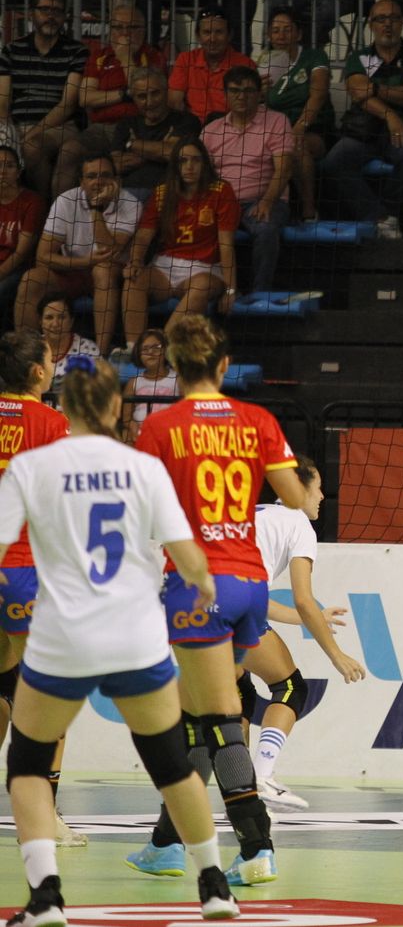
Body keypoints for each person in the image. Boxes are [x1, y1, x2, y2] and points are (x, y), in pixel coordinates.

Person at [0, 354, 240, 924]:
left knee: (27, 763)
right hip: (135, 638)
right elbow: (187, 558)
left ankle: (46, 897)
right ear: (116, 406)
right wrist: (205, 587)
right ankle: (213, 885)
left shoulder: (32, 468)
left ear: (62, 405)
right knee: (169, 761)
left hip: (64, 638)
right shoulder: (143, 469)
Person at [125, 314, 307, 888]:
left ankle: (255, 846)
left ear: (174, 369)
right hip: (250, 581)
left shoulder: (160, 427)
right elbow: (296, 497)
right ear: (225, 366)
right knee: (196, 716)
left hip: (198, 582)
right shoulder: (257, 420)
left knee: (219, 721)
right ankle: (165, 842)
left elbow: (141, 512)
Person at [241, 455, 366, 811]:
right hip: (237, 606)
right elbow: (303, 597)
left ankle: (241, 788)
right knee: (291, 686)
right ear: (300, 488)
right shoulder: (298, 525)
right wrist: (336, 656)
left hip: (198, 603)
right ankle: (261, 778)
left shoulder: (259, 513)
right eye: (319, 487)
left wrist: (309, 618)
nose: (323, 496)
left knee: (238, 696)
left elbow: (262, 599)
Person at [0, 329, 79, 848]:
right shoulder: (51, 423)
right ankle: (45, 816)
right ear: (37, 372)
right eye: (50, 359)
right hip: (26, 569)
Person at [318, 0, 403, 241]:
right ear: (371, 25)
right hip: (365, 131)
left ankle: (387, 212)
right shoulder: (361, 57)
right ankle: (380, 217)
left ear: (402, 23)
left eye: (393, 18)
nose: (387, 24)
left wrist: (375, 89)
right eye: (380, 19)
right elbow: (359, 93)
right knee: (333, 162)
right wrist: (390, 114)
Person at [120, 140, 240, 347]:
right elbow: (142, 236)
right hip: (165, 266)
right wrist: (135, 261)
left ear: (205, 164)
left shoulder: (221, 191)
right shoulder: (162, 194)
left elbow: (226, 245)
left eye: (195, 160)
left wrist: (230, 290)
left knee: (201, 287)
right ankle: (134, 348)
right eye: (183, 161)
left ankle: (159, 347)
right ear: (175, 166)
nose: (189, 166)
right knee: (134, 281)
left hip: (207, 268)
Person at [16, 155, 140, 352]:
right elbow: (43, 256)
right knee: (31, 279)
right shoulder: (66, 201)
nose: (98, 181)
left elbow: (107, 251)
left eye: (105, 175)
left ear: (116, 180)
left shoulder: (130, 203)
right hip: (73, 271)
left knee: (102, 270)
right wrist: (84, 261)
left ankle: (100, 352)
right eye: (91, 176)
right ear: (82, 182)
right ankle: (25, 353)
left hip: (112, 275)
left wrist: (96, 209)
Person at [56, 7, 165, 198]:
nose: (125, 34)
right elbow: (85, 98)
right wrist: (123, 95)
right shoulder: (99, 56)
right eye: (118, 28)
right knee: (68, 151)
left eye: (132, 28)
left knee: (134, 162)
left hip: (139, 128)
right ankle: (60, 215)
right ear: (110, 30)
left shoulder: (153, 56)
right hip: (102, 128)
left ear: (144, 30)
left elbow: (144, 95)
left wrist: (125, 59)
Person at [201, 69, 292, 294]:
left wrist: (267, 201)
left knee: (266, 229)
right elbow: (203, 175)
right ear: (225, 94)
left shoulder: (277, 121)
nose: (242, 96)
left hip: (262, 200)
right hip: (222, 203)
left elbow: (284, 169)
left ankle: (260, 294)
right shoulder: (211, 131)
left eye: (249, 90)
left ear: (259, 94)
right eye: (235, 90)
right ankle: (214, 293)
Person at [0, 0, 87, 198]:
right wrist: (8, 129)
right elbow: (2, 98)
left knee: (31, 146)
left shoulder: (77, 51)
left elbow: (68, 104)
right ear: (32, 13)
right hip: (17, 122)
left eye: (57, 11)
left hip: (61, 126)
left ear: (65, 16)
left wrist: (31, 133)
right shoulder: (12, 50)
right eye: (44, 10)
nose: (51, 16)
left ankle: (43, 211)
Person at [260, 8, 334, 224]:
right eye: (275, 31)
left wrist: (300, 127)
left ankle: (309, 211)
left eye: (287, 30)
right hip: (276, 132)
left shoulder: (314, 56)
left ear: (299, 34)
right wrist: (259, 92)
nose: (281, 36)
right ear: (268, 36)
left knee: (295, 145)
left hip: (313, 130)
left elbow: (318, 95)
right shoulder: (265, 60)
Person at [113, 68, 202, 204]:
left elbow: (173, 152)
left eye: (155, 93)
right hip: (127, 194)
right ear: (134, 99)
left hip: (169, 194)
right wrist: (156, 152)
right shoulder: (126, 124)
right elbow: (114, 165)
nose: (149, 102)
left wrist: (132, 144)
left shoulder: (186, 120)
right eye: (142, 96)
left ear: (167, 92)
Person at [166, 10, 257, 125]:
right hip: (193, 128)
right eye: (207, 32)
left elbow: (248, 110)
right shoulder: (186, 59)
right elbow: (174, 103)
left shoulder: (245, 64)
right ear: (198, 36)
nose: (212, 39)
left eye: (219, 32)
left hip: (230, 128)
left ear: (230, 35)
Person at [0, 146, 42, 324]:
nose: (2, 171)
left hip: (18, 269)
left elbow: (21, 253)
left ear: (18, 172)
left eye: (9, 166)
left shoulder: (32, 202)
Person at [121, 327, 178, 443]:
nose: (150, 352)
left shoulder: (177, 379)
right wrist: (133, 428)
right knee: (125, 435)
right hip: (141, 433)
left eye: (156, 348)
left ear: (165, 350)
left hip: (170, 432)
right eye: (145, 349)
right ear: (139, 354)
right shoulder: (134, 383)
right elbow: (126, 418)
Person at [36, 293, 100, 390]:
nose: (55, 324)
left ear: (71, 321)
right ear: (40, 322)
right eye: (49, 317)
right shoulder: (31, 348)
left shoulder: (88, 351)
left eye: (61, 317)